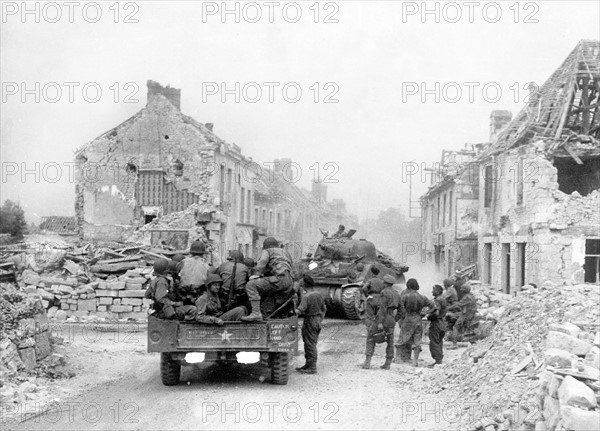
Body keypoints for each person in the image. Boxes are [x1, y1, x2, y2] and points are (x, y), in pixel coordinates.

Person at [241, 237, 294, 322]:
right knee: (267, 307)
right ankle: (263, 316)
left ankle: (255, 313)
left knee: (251, 285)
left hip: (279, 279)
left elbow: (262, 263)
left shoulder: (268, 250)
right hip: (289, 281)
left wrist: (256, 274)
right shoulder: (285, 252)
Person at [396, 278, 433, 367]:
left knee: (402, 339)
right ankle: (415, 361)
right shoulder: (422, 297)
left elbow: (399, 307)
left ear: (408, 286)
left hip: (408, 319)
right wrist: (425, 313)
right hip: (418, 319)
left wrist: (401, 316)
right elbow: (433, 306)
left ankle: (397, 358)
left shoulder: (405, 296)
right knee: (417, 341)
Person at [296, 289, 327, 374]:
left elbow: (300, 310)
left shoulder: (306, 297)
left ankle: (312, 367)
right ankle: (308, 365)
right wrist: (320, 319)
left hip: (310, 320)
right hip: (317, 320)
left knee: (310, 344)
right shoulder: (319, 294)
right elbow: (324, 308)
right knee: (311, 343)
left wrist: (291, 312)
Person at [372, 275, 400, 369]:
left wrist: (380, 322)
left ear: (385, 283)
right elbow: (402, 310)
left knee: (373, 337)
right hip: (391, 318)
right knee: (390, 342)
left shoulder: (384, 292)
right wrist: (395, 319)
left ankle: (368, 360)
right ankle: (388, 363)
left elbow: (383, 308)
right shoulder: (396, 293)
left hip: (384, 317)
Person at [361, 277, 385, 369]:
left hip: (371, 299)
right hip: (380, 299)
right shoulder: (382, 281)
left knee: (370, 335)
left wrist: (367, 295)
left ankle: (367, 362)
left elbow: (363, 288)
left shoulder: (370, 280)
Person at [426, 284, 447, 366]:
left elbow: (436, 312)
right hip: (442, 322)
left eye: (434, 290)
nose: (432, 291)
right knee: (439, 342)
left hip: (436, 323)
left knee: (434, 342)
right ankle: (439, 360)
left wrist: (428, 317)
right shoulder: (443, 299)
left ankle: (437, 361)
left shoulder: (437, 300)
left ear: (438, 291)